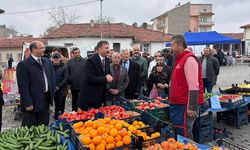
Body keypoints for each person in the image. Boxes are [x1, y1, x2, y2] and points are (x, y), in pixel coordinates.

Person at [169, 35, 204, 139]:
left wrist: (191, 107)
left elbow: (194, 86)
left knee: (185, 133)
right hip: (178, 103)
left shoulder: (189, 59)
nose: (171, 47)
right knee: (179, 132)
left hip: (184, 105)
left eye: (172, 45)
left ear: (180, 45)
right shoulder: (178, 59)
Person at [16, 41, 56, 127]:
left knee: (44, 124)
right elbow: (23, 86)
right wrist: (28, 103)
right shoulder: (23, 65)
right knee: (29, 126)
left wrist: (52, 93)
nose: (44, 50)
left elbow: (52, 78)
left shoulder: (47, 62)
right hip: (32, 101)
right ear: (34, 49)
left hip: (45, 99)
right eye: (41, 48)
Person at [78, 41, 113, 111]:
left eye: (108, 48)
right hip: (90, 97)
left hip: (101, 96)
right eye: (106, 48)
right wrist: (105, 79)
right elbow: (89, 78)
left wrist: (110, 77)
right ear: (99, 49)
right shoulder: (91, 60)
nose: (108, 50)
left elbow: (107, 73)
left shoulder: (107, 60)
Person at [51, 53, 69, 119]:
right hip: (51, 89)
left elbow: (66, 78)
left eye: (57, 58)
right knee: (53, 105)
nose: (56, 59)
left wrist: (58, 86)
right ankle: (56, 117)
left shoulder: (64, 67)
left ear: (60, 59)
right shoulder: (50, 67)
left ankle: (59, 118)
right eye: (54, 58)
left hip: (61, 90)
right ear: (52, 59)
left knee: (60, 105)